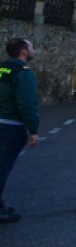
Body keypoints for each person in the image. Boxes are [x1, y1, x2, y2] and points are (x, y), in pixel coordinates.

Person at [0, 38, 39, 225]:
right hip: (10, 127)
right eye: (31, 48)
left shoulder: (1, 68)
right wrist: (33, 130)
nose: (33, 51)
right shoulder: (23, 73)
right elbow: (27, 103)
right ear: (23, 52)